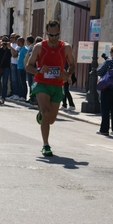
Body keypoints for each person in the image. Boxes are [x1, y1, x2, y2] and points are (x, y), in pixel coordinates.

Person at [26, 20, 75, 157]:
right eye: (51, 35)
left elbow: (72, 64)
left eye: (56, 35)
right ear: (46, 33)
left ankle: (42, 115)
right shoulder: (39, 47)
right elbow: (28, 66)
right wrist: (39, 70)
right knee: (47, 113)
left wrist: (67, 73)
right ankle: (46, 145)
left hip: (57, 85)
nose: (53, 38)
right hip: (41, 83)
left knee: (51, 120)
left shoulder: (66, 47)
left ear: (60, 33)